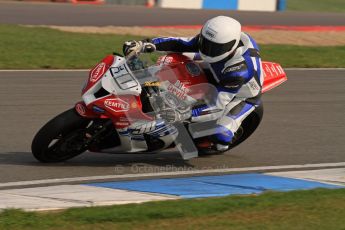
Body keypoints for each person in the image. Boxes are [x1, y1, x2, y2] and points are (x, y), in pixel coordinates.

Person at [123, 16, 263, 153]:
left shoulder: (239, 72)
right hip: (216, 67)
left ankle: (212, 138)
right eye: (206, 43)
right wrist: (144, 45)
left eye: (214, 48)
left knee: (221, 135)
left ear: (230, 46)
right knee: (170, 58)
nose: (208, 49)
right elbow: (181, 43)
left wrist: (182, 115)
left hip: (240, 96)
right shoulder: (214, 40)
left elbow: (216, 107)